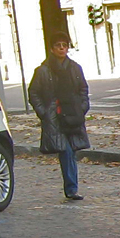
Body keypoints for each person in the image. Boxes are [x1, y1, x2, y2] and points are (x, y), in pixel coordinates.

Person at [29, 32, 90, 201]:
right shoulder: (43, 70)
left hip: (72, 113)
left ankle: (71, 188)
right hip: (55, 116)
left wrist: (83, 107)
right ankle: (71, 189)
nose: (62, 48)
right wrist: (44, 112)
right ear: (52, 49)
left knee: (71, 150)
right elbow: (33, 93)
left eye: (65, 45)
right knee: (66, 151)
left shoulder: (75, 67)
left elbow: (83, 88)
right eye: (58, 45)